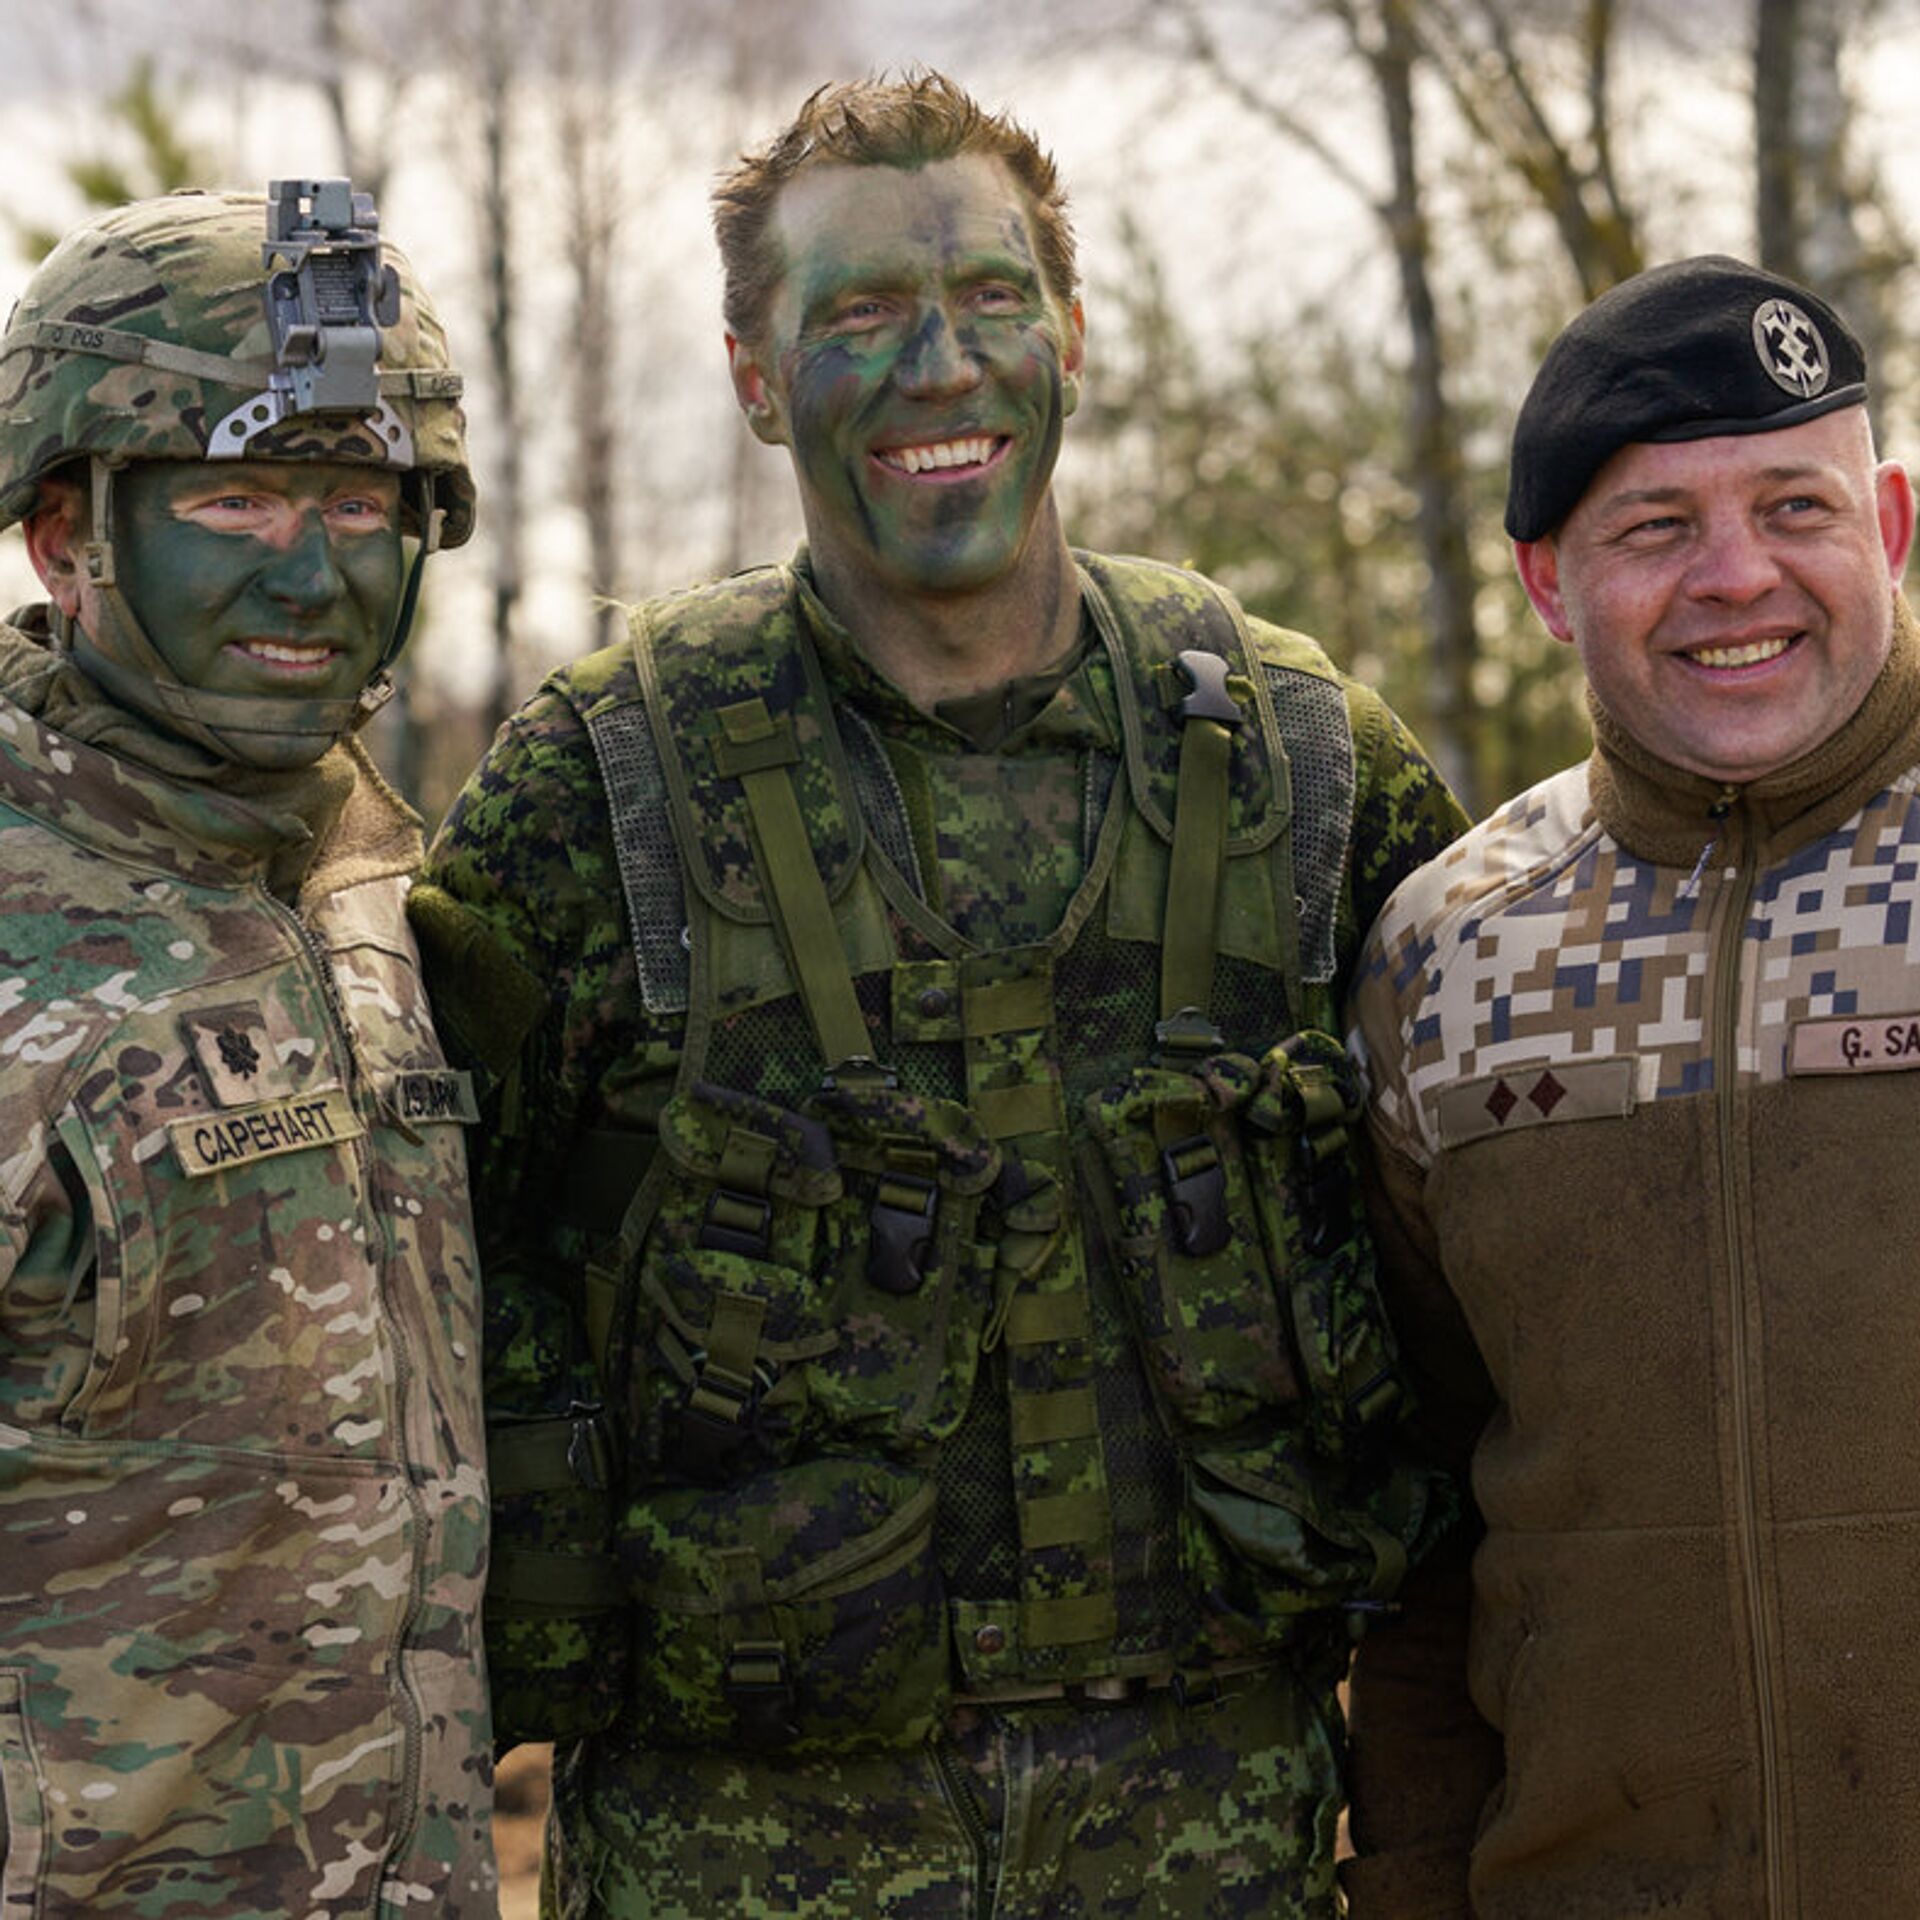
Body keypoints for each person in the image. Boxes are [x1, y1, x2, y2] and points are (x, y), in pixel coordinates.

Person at [418, 72, 1464, 1916]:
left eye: (989, 299)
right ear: (757, 379)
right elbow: (418, 1306)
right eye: (859, 316)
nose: (938, 367)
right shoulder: (602, 789)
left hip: (1212, 1831)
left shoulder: (1303, 763)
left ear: (1070, 331)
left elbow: (1483, 1295)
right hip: (737, 1849)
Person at [1343, 255, 1920, 1917]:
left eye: (1792, 507)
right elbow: (1424, 1534)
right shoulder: (1447, 962)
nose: (1737, 577)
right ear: (1543, 581)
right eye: (1655, 529)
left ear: (1885, 522)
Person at [0, 182, 495, 1914]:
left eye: (359, 500)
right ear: (65, 534)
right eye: (234, 491)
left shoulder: (381, 894)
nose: (311, 564)